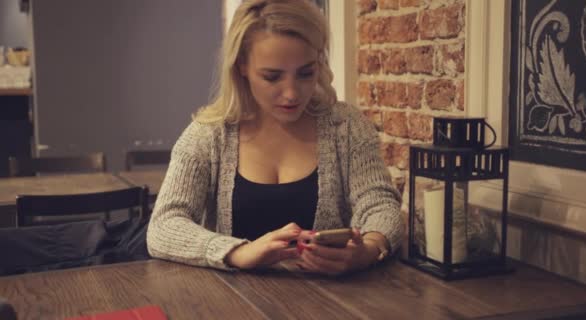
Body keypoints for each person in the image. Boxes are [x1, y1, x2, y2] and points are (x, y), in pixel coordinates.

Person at [146, 0, 403, 275]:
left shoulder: (347, 126)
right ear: (241, 65)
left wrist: (369, 248)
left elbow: (381, 205)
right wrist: (236, 252)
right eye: (272, 77)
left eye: (306, 73)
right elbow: (163, 226)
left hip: (332, 304)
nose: (292, 93)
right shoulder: (209, 135)